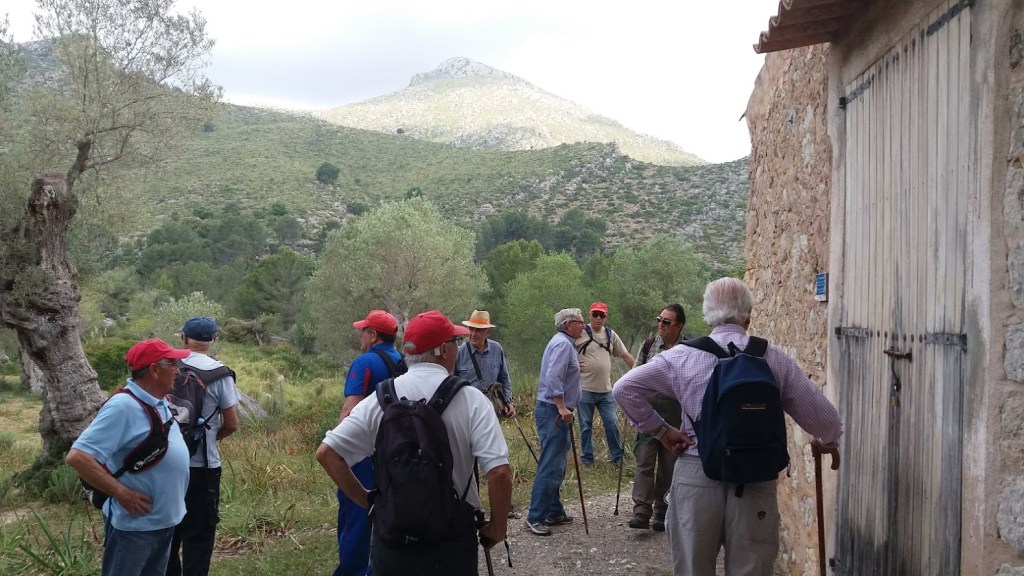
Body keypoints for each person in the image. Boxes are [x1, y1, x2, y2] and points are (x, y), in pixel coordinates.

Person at [613, 278, 843, 576]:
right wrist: (828, 440)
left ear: (708, 315)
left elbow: (624, 389)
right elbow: (827, 421)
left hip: (697, 473)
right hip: (755, 479)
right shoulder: (773, 359)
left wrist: (662, 431)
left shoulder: (681, 357)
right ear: (748, 316)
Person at [316, 310, 512, 575]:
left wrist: (368, 502)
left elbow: (327, 453)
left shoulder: (381, 397)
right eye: (456, 342)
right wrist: (497, 529)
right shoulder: (471, 400)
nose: (458, 348)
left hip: (393, 538)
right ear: (443, 349)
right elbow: (499, 471)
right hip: (452, 540)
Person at [66, 339, 191, 576]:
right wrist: (122, 493)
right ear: (154, 370)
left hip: (162, 521)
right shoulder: (123, 406)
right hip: (135, 528)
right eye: (172, 364)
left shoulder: (159, 402)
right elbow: (78, 456)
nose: (177, 370)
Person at [167, 316, 240, 576]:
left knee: (168, 532)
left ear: (184, 338)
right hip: (204, 466)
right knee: (199, 535)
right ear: (214, 340)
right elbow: (231, 423)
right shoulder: (220, 374)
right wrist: (210, 437)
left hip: (166, 464)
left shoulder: (169, 366)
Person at [334, 309, 402, 576]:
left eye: (363, 330)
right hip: (395, 451)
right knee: (389, 513)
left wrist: (337, 449)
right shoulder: (404, 361)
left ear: (373, 335)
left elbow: (349, 410)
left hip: (362, 454)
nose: (360, 335)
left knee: (356, 513)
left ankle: (352, 571)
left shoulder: (364, 363)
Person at [524, 308, 586, 536]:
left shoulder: (563, 343)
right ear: (569, 324)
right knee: (551, 464)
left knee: (556, 462)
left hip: (555, 411)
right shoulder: (562, 344)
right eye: (581, 322)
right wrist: (561, 406)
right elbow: (552, 377)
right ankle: (536, 516)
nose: (584, 325)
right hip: (555, 412)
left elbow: (558, 371)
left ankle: (553, 510)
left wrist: (574, 369)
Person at [628, 303, 686, 532]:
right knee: (644, 460)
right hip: (648, 410)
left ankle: (662, 511)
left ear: (679, 326)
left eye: (666, 322)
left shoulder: (688, 349)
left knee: (669, 464)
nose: (660, 325)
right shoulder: (649, 345)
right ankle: (641, 511)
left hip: (675, 411)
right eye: (659, 320)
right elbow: (634, 376)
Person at [575, 302, 634, 465]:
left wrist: (640, 373)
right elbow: (566, 350)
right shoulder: (580, 332)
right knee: (585, 426)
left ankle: (617, 459)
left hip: (606, 391)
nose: (598, 318)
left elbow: (625, 355)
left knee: (612, 423)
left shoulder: (610, 334)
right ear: (589, 315)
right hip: (584, 389)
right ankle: (587, 459)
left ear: (606, 317)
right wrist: (572, 363)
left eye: (602, 315)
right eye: (595, 314)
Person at [454, 309, 516, 418]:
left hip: (491, 410)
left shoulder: (497, 349)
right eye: (471, 329)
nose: (473, 334)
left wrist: (507, 402)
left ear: (488, 331)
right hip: (467, 411)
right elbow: (451, 383)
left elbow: (504, 379)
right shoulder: (459, 352)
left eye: (478, 330)